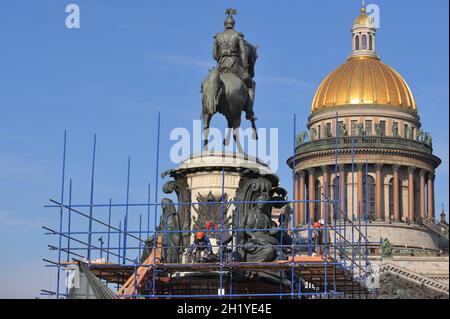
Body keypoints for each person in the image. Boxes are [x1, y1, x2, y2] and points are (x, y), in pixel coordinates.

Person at [212, 8, 256, 121]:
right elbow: (243, 52)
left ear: (225, 24)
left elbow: (214, 55)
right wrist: (245, 69)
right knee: (251, 85)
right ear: (233, 24)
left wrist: (221, 57)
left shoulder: (217, 36)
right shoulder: (238, 35)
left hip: (221, 66)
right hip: (235, 66)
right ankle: (249, 112)